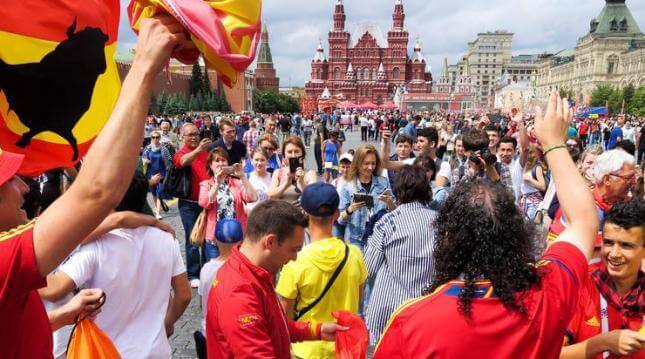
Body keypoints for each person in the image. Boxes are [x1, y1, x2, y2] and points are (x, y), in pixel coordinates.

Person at [0, 15, 186, 357]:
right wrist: (144, 68)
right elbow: (97, 193)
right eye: (10, 182)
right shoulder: (3, 258)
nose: (24, 189)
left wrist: (61, 317)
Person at [374, 91, 600, 358]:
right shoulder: (544, 296)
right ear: (516, 233)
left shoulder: (412, 321)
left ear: (448, 237)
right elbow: (584, 221)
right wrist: (554, 143)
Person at [38, 171, 191, 358]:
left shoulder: (96, 246)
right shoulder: (167, 239)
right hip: (156, 350)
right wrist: (166, 323)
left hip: (109, 351)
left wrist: (17, 270)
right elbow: (183, 295)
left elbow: (54, 289)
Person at [206, 200, 348, 358]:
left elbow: (274, 325)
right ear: (270, 242)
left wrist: (317, 330)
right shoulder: (239, 293)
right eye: (294, 250)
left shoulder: (253, 272)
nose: (295, 258)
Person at [276, 183, 367, 358]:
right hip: (345, 349)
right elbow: (358, 298)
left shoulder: (294, 262)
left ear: (304, 213)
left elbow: (284, 318)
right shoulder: (354, 255)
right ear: (336, 214)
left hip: (307, 349)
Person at [561, 198, 645, 359]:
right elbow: (550, 353)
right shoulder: (581, 289)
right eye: (608, 243)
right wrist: (603, 343)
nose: (614, 254)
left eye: (626, 245)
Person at [364, 165, 437, 345]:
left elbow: (368, 268)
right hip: (426, 310)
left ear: (399, 189)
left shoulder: (388, 222)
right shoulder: (440, 222)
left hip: (387, 311)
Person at [548, 149, 636, 245]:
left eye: (634, 177)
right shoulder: (580, 205)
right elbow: (555, 244)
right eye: (628, 178)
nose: (634, 182)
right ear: (607, 180)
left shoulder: (631, 207)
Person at [198, 148, 258, 261]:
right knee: (215, 274)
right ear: (211, 165)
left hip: (237, 238)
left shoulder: (236, 183)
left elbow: (253, 197)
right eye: (217, 161)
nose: (221, 163)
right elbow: (204, 203)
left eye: (223, 160)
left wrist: (242, 176)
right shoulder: (206, 184)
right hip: (214, 239)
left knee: (237, 273)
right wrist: (217, 183)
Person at [196, 218, 244, 358]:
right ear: (241, 241)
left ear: (215, 240)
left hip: (210, 334)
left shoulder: (206, 270)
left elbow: (202, 303)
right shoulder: (244, 268)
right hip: (237, 335)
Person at [174, 122, 212, 287]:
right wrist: (198, 150)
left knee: (206, 237)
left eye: (197, 134)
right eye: (191, 135)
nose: (195, 137)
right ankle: (193, 274)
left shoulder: (206, 153)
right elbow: (182, 162)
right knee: (192, 238)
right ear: (183, 137)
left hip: (206, 201)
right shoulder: (181, 152)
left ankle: (205, 269)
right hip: (188, 204)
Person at [338, 144, 395, 251]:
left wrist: (390, 203)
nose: (370, 167)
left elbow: (394, 212)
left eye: (373, 163)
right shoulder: (348, 187)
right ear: (358, 163)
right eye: (366, 163)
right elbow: (340, 220)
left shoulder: (383, 182)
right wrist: (350, 210)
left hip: (379, 237)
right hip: (356, 240)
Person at [268, 136, 317, 205]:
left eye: (296, 151)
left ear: (302, 153)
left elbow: (314, 198)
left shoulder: (310, 174)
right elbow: (270, 196)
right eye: (289, 152)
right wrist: (286, 185)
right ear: (284, 154)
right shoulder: (278, 173)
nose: (293, 155)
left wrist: (301, 182)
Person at [142, 130, 172, 219]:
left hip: (162, 173)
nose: (155, 139)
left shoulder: (164, 149)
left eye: (157, 137)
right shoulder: (147, 148)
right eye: (153, 137)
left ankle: (158, 212)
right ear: (151, 138)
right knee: (154, 193)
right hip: (151, 173)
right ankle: (157, 207)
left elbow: (169, 162)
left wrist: (167, 173)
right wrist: (146, 161)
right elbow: (143, 158)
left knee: (159, 192)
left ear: (160, 138)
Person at [521, 145, 548, 220]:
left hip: (534, 202)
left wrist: (530, 179)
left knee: (530, 226)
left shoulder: (537, 167)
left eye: (528, 153)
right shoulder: (522, 166)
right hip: (524, 201)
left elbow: (543, 186)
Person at [246, 147, 273, 211]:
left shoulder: (273, 177)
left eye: (262, 160)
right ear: (251, 161)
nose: (259, 163)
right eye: (256, 160)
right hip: (251, 216)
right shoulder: (246, 177)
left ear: (267, 161)